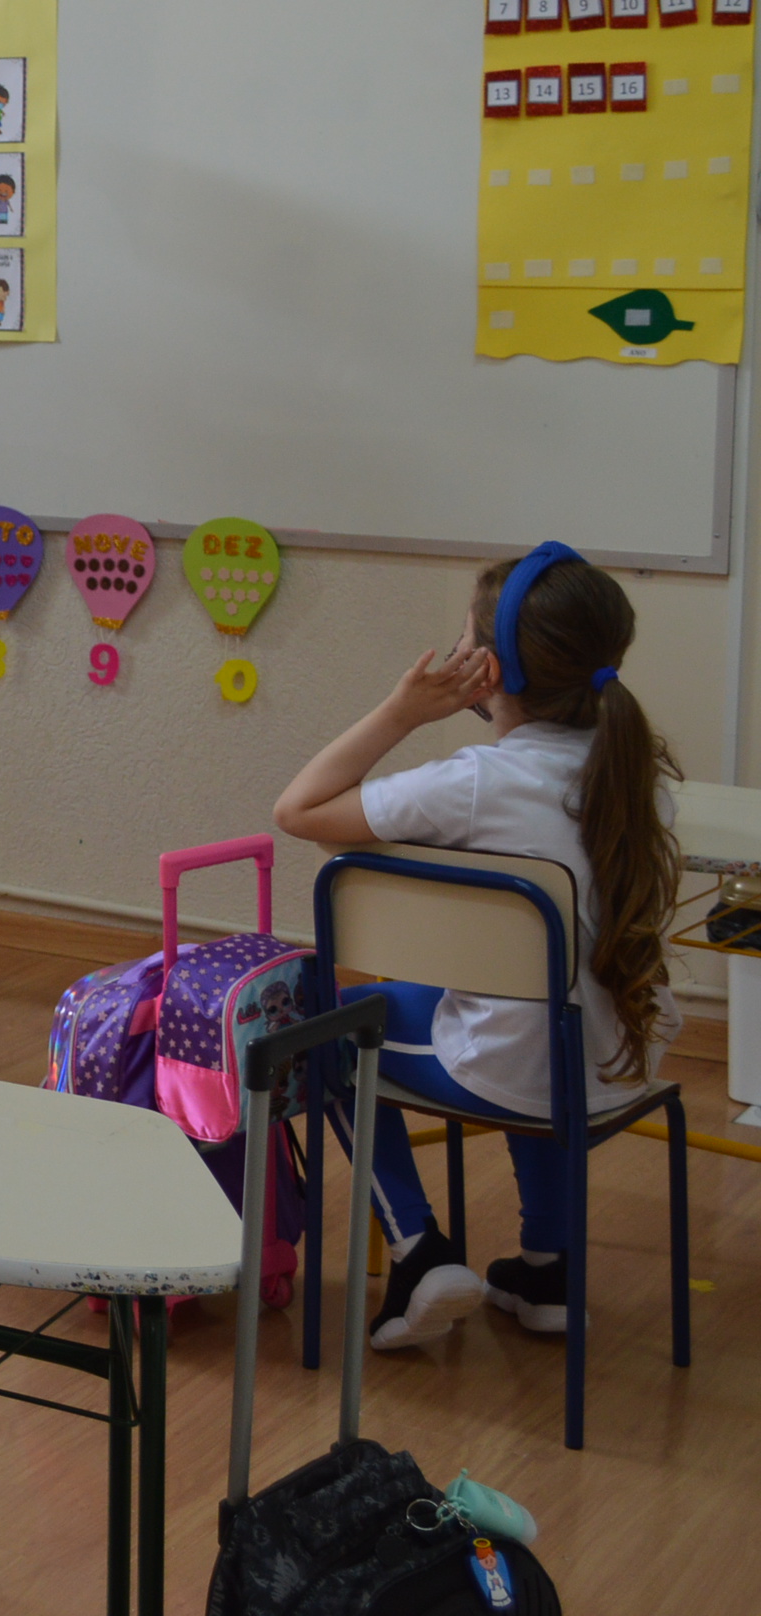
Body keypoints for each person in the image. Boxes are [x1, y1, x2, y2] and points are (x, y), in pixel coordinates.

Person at [274, 543, 682, 1351]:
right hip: (618, 1059)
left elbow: (300, 808)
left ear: (485, 670)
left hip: (515, 1068)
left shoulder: (475, 781)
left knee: (319, 1024)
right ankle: (549, 1272)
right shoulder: (642, 776)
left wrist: (403, 711)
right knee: (536, 1013)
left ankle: (419, 1253)